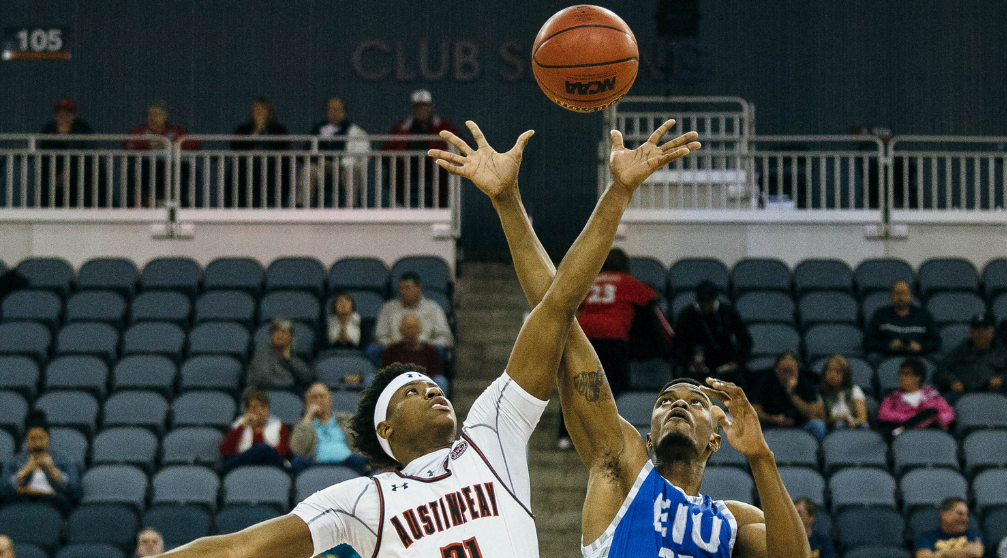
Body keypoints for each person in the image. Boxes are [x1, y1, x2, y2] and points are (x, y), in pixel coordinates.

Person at [150, 117, 684, 558]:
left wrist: (600, 194)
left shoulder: (490, 435)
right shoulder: (362, 498)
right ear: (384, 429)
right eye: (410, 389)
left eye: (429, 383)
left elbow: (558, 307)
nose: (432, 389)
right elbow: (235, 549)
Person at [435, 119, 800, 558]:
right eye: (665, 400)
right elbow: (559, 318)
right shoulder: (622, 466)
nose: (678, 403)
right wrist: (511, 201)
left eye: (696, 401)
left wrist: (761, 457)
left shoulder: (733, 520)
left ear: (715, 440)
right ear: (647, 437)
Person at [576, 248, 659, 397]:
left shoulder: (591, 280)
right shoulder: (627, 281)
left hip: (584, 334)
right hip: (613, 335)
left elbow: (577, 304)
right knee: (616, 385)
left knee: (583, 384)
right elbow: (653, 297)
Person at [384, 90, 461, 208]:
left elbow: (463, 148)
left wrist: (444, 155)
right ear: (413, 108)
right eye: (418, 107)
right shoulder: (402, 128)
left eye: (424, 106)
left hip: (436, 177)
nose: (421, 110)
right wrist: (398, 155)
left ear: (431, 107)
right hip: (406, 177)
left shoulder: (444, 126)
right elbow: (385, 150)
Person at [673, 280, 753, 384]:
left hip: (726, 361)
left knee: (739, 383)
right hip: (696, 362)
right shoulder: (686, 315)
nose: (706, 306)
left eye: (709, 302)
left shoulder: (728, 312)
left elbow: (746, 341)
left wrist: (736, 363)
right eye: (703, 303)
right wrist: (688, 364)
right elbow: (678, 345)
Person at [0, 411, 82, 512]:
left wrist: (53, 470)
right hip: (20, 503)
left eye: (41, 438)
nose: (37, 443)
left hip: (53, 504)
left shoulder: (64, 461)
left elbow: (76, 492)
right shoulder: (13, 462)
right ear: (26, 438)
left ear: (48, 435)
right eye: (33, 438)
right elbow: (3, 491)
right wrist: (24, 471)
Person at [123, 101, 199, 207]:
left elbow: (194, 145)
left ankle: (178, 202)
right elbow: (128, 145)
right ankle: (144, 201)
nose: (153, 118)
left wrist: (172, 144)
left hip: (172, 167)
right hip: (146, 167)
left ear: (164, 116)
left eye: (157, 114)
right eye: (150, 114)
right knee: (140, 170)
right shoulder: (140, 131)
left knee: (182, 170)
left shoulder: (176, 132)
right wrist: (147, 144)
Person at [936, 314, 1007, 405]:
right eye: (976, 330)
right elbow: (941, 371)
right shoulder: (960, 350)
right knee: (944, 400)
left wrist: (1002, 379)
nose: (980, 334)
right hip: (964, 391)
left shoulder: (1002, 351)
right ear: (970, 332)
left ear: (992, 332)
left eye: (984, 330)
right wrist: (952, 381)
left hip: (995, 391)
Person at [299, 97, 368, 208]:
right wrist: (321, 162)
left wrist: (340, 164)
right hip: (321, 168)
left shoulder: (353, 130)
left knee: (351, 172)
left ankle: (351, 208)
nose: (334, 112)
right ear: (326, 112)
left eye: (338, 109)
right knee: (308, 170)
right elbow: (307, 151)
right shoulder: (318, 129)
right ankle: (301, 208)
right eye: (331, 109)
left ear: (343, 111)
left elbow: (359, 155)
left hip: (343, 169)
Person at [289, 383, 369, 475]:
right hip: (315, 464)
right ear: (307, 401)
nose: (318, 400)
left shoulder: (347, 419)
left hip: (346, 462)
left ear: (330, 399)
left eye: (322, 396)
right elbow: (297, 450)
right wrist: (308, 416)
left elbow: (362, 444)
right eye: (313, 397)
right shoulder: (302, 424)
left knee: (358, 460)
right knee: (298, 462)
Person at [229, 97, 291, 208]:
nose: (259, 112)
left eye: (262, 109)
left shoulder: (278, 130)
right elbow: (236, 147)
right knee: (238, 170)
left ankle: (271, 202)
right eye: (256, 109)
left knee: (276, 170)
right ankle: (241, 203)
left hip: (271, 166)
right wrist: (255, 134)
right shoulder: (243, 129)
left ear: (269, 112)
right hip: (247, 166)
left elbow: (282, 146)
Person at [752, 352, 828, 441]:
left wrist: (792, 395)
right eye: (784, 371)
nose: (788, 376)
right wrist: (772, 419)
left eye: (791, 372)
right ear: (776, 371)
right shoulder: (765, 382)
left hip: (800, 424)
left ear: (797, 371)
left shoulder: (806, 383)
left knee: (818, 425)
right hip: (771, 424)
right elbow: (755, 411)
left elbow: (814, 414)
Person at [373, 272, 454, 350]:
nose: (403, 292)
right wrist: (391, 344)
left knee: (439, 350)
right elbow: (380, 335)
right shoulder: (388, 308)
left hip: (424, 351)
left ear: (419, 288)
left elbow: (446, 337)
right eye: (401, 288)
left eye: (407, 288)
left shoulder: (433, 308)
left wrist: (428, 345)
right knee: (373, 350)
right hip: (394, 350)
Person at [864, 280, 940, 362]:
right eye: (897, 293)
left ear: (911, 295)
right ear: (891, 296)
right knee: (873, 357)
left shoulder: (924, 315)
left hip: (918, 356)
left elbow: (936, 341)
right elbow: (868, 341)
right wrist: (888, 346)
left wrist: (920, 347)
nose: (901, 297)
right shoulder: (880, 314)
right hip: (887, 356)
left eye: (904, 293)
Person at [38, 98, 95, 207]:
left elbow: (87, 157)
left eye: (67, 113)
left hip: (78, 181)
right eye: (59, 113)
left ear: (74, 115)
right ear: (55, 115)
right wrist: (54, 175)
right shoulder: (49, 130)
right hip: (54, 183)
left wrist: (68, 173)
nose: (63, 116)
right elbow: (44, 159)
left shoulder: (82, 129)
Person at [219, 388, 291, 474]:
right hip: (243, 465)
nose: (260, 411)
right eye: (254, 408)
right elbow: (226, 451)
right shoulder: (239, 425)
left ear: (268, 409)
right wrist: (242, 426)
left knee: (264, 448)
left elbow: (284, 452)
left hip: (271, 464)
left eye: (263, 407)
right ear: (247, 410)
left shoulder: (279, 425)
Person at [878, 358, 955, 434]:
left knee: (931, 414)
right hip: (903, 434)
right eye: (900, 373)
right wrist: (915, 417)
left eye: (906, 374)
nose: (901, 377)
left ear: (918, 378)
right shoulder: (892, 397)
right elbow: (883, 414)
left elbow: (948, 414)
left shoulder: (933, 396)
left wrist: (928, 420)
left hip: (929, 432)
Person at [381, 314, 447, 395]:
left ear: (420, 329)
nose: (410, 331)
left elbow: (436, 373)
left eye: (413, 327)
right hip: (398, 388)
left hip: (425, 387)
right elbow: (385, 375)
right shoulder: (391, 351)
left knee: (441, 381)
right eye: (407, 328)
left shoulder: (430, 351)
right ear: (400, 330)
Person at [247, 318, 314, 390]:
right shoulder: (262, 353)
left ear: (290, 337)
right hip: (264, 392)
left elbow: (308, 377)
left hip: (289, 391)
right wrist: (290, 384)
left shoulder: (293, 355)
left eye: (284, 332)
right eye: (276, 332)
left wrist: (289, 360)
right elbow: (264, 379)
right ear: (271, 335)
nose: (280, 335)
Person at [914, 497, 985, 558]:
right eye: (960, 514)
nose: (965, 519)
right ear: (943, 514)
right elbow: (923, 556)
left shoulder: (973, 534)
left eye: (966, 514)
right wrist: (964, 552)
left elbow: (976, 552)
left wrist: (940, 553)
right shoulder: (926, 537)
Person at [817, 355, 868, 430]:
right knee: (839, 424)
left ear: (845, 375)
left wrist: (851, 421)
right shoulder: (821, 393)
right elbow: (823, 420)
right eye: (829, 371)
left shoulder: (854, 389)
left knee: (864, 426)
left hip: (854, 424)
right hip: (833, 427)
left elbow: (862, 418)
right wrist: (838, 419)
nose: (833, 375)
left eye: (838, 372)